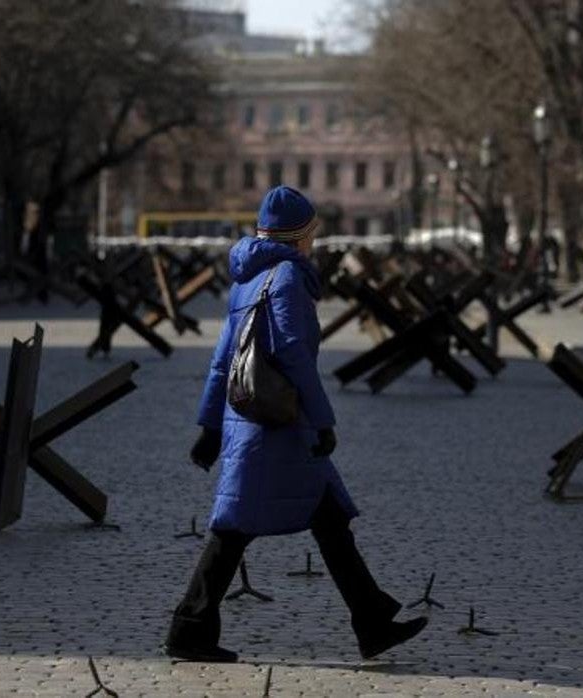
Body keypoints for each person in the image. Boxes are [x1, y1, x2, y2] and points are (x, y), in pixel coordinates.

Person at [164, 186, 428, 663]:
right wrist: (324, 421)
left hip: (258, 423)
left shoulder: (247, 279)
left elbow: (223, 361)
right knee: (235, 530)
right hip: (279, 426)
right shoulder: (286, 276)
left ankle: (372, 621)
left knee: (327, 522)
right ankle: (189, 629)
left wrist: (210, 425)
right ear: (301, 235)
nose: (315, 242)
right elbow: (293, 354)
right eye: (313, 233)